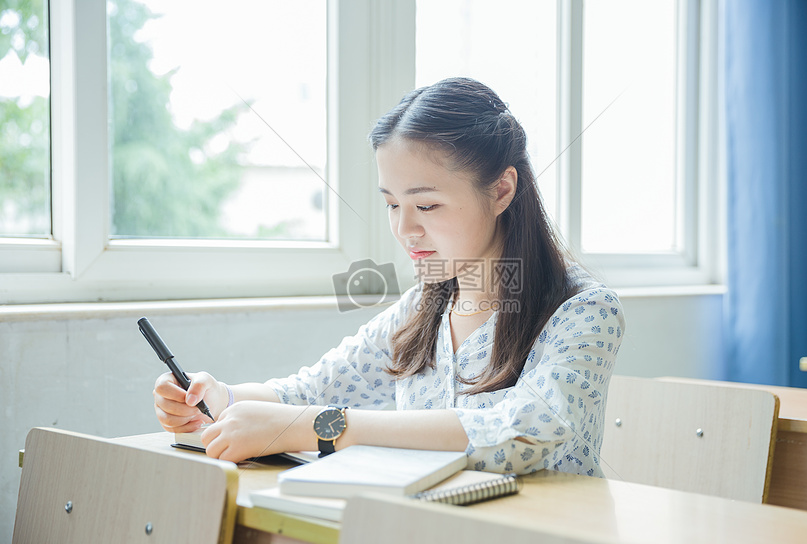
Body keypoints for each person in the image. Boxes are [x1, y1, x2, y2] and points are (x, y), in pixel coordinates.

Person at [153, 77, 625, 476]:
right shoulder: (427, 304)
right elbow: (312, 390)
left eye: (426, 205)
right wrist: (221, 395)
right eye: (392, 205)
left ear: (501, 190)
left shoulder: (583, 309)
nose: (404, 229)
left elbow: (528, 431)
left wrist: (322, 427)